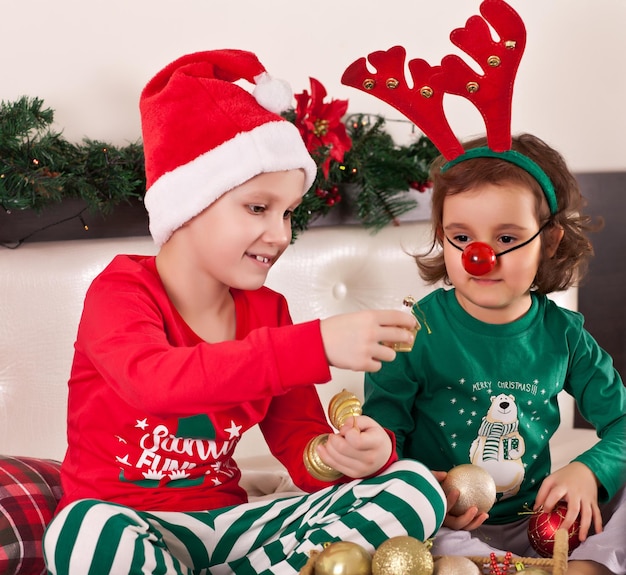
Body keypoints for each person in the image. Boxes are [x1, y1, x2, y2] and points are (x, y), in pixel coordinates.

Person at [41, 50, 447, 575]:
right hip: (128, 522)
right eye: (258, 207)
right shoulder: (119, 291)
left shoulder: (268, 310)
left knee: (413, 489)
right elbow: (156, 382)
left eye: (287, 213)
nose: (280, 235)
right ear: (191, 201)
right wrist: (317, 344)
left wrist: (336, 455)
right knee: (80, 532)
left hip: (230, 526)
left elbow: (298, 443)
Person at [362, 133, 626, 575]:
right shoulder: (414, 332)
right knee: (390, 522)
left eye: (506, 237)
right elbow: (383, 441)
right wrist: (427, 492)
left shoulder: (563, 334)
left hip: (543, 524)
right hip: (446, 526)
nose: (479, 257)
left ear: (551, 240)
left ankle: (585, 565)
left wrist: (589, 470)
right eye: (461, 236)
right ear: (441, 237)